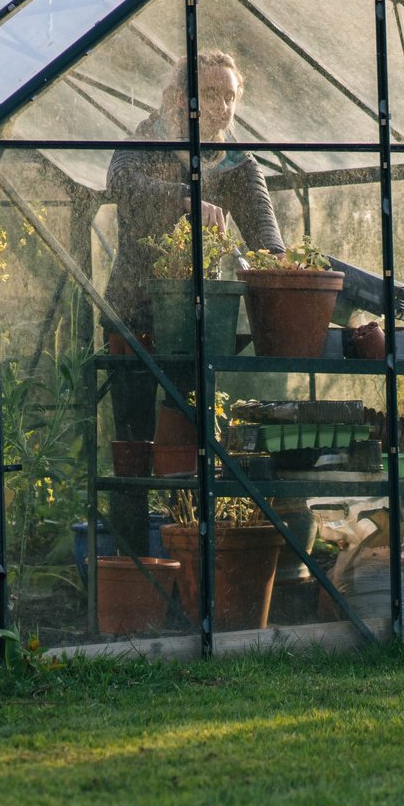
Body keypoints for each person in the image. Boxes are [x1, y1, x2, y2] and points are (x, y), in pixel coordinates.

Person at [101, 51, 285, 555]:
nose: (223, 106)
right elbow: (121, 183)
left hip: (199, 322)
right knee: (133, 444)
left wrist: (279, 271)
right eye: (211, 94)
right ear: (178, 97)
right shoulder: (143, 142)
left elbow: (269, 240)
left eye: (229, 95)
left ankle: (189, 562)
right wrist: (185, 198)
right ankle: (134, 559)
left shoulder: (239, 166)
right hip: (133, 313)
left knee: (189, 439)